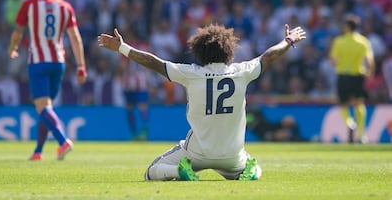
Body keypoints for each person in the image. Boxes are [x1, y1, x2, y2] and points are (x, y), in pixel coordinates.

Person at [98, 23, 306, 181]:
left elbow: (155, 63)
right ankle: (249, 171)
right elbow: (267, 57)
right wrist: (288, 41)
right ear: (229, 51)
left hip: (196, 153)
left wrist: (122, 48)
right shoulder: (242, 71)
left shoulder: (191, 73)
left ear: (199, 51)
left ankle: (179, 171)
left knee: (151, 172)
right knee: (254, 166)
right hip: (232, 155)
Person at [8, 0, 87, 160]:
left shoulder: (29, 5)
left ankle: (62, 141)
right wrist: (81, 66)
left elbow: (18, 31)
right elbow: (75, 38)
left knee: (42, 107)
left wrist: (13, 48)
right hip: (58, 62)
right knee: (47, 106)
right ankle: (38, 151)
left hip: (38, 61)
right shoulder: (65, 6)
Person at [329, 14, 375, 143]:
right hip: (357, 75)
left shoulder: (339, 41)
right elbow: (370, 60)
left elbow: (333, 60)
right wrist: (370, 72)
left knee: (343, 104)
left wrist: (340, 62)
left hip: (343, 75)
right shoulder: (363, 41)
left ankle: (350, 123)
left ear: (347, 27)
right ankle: (361, 135)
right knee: (359, 104)